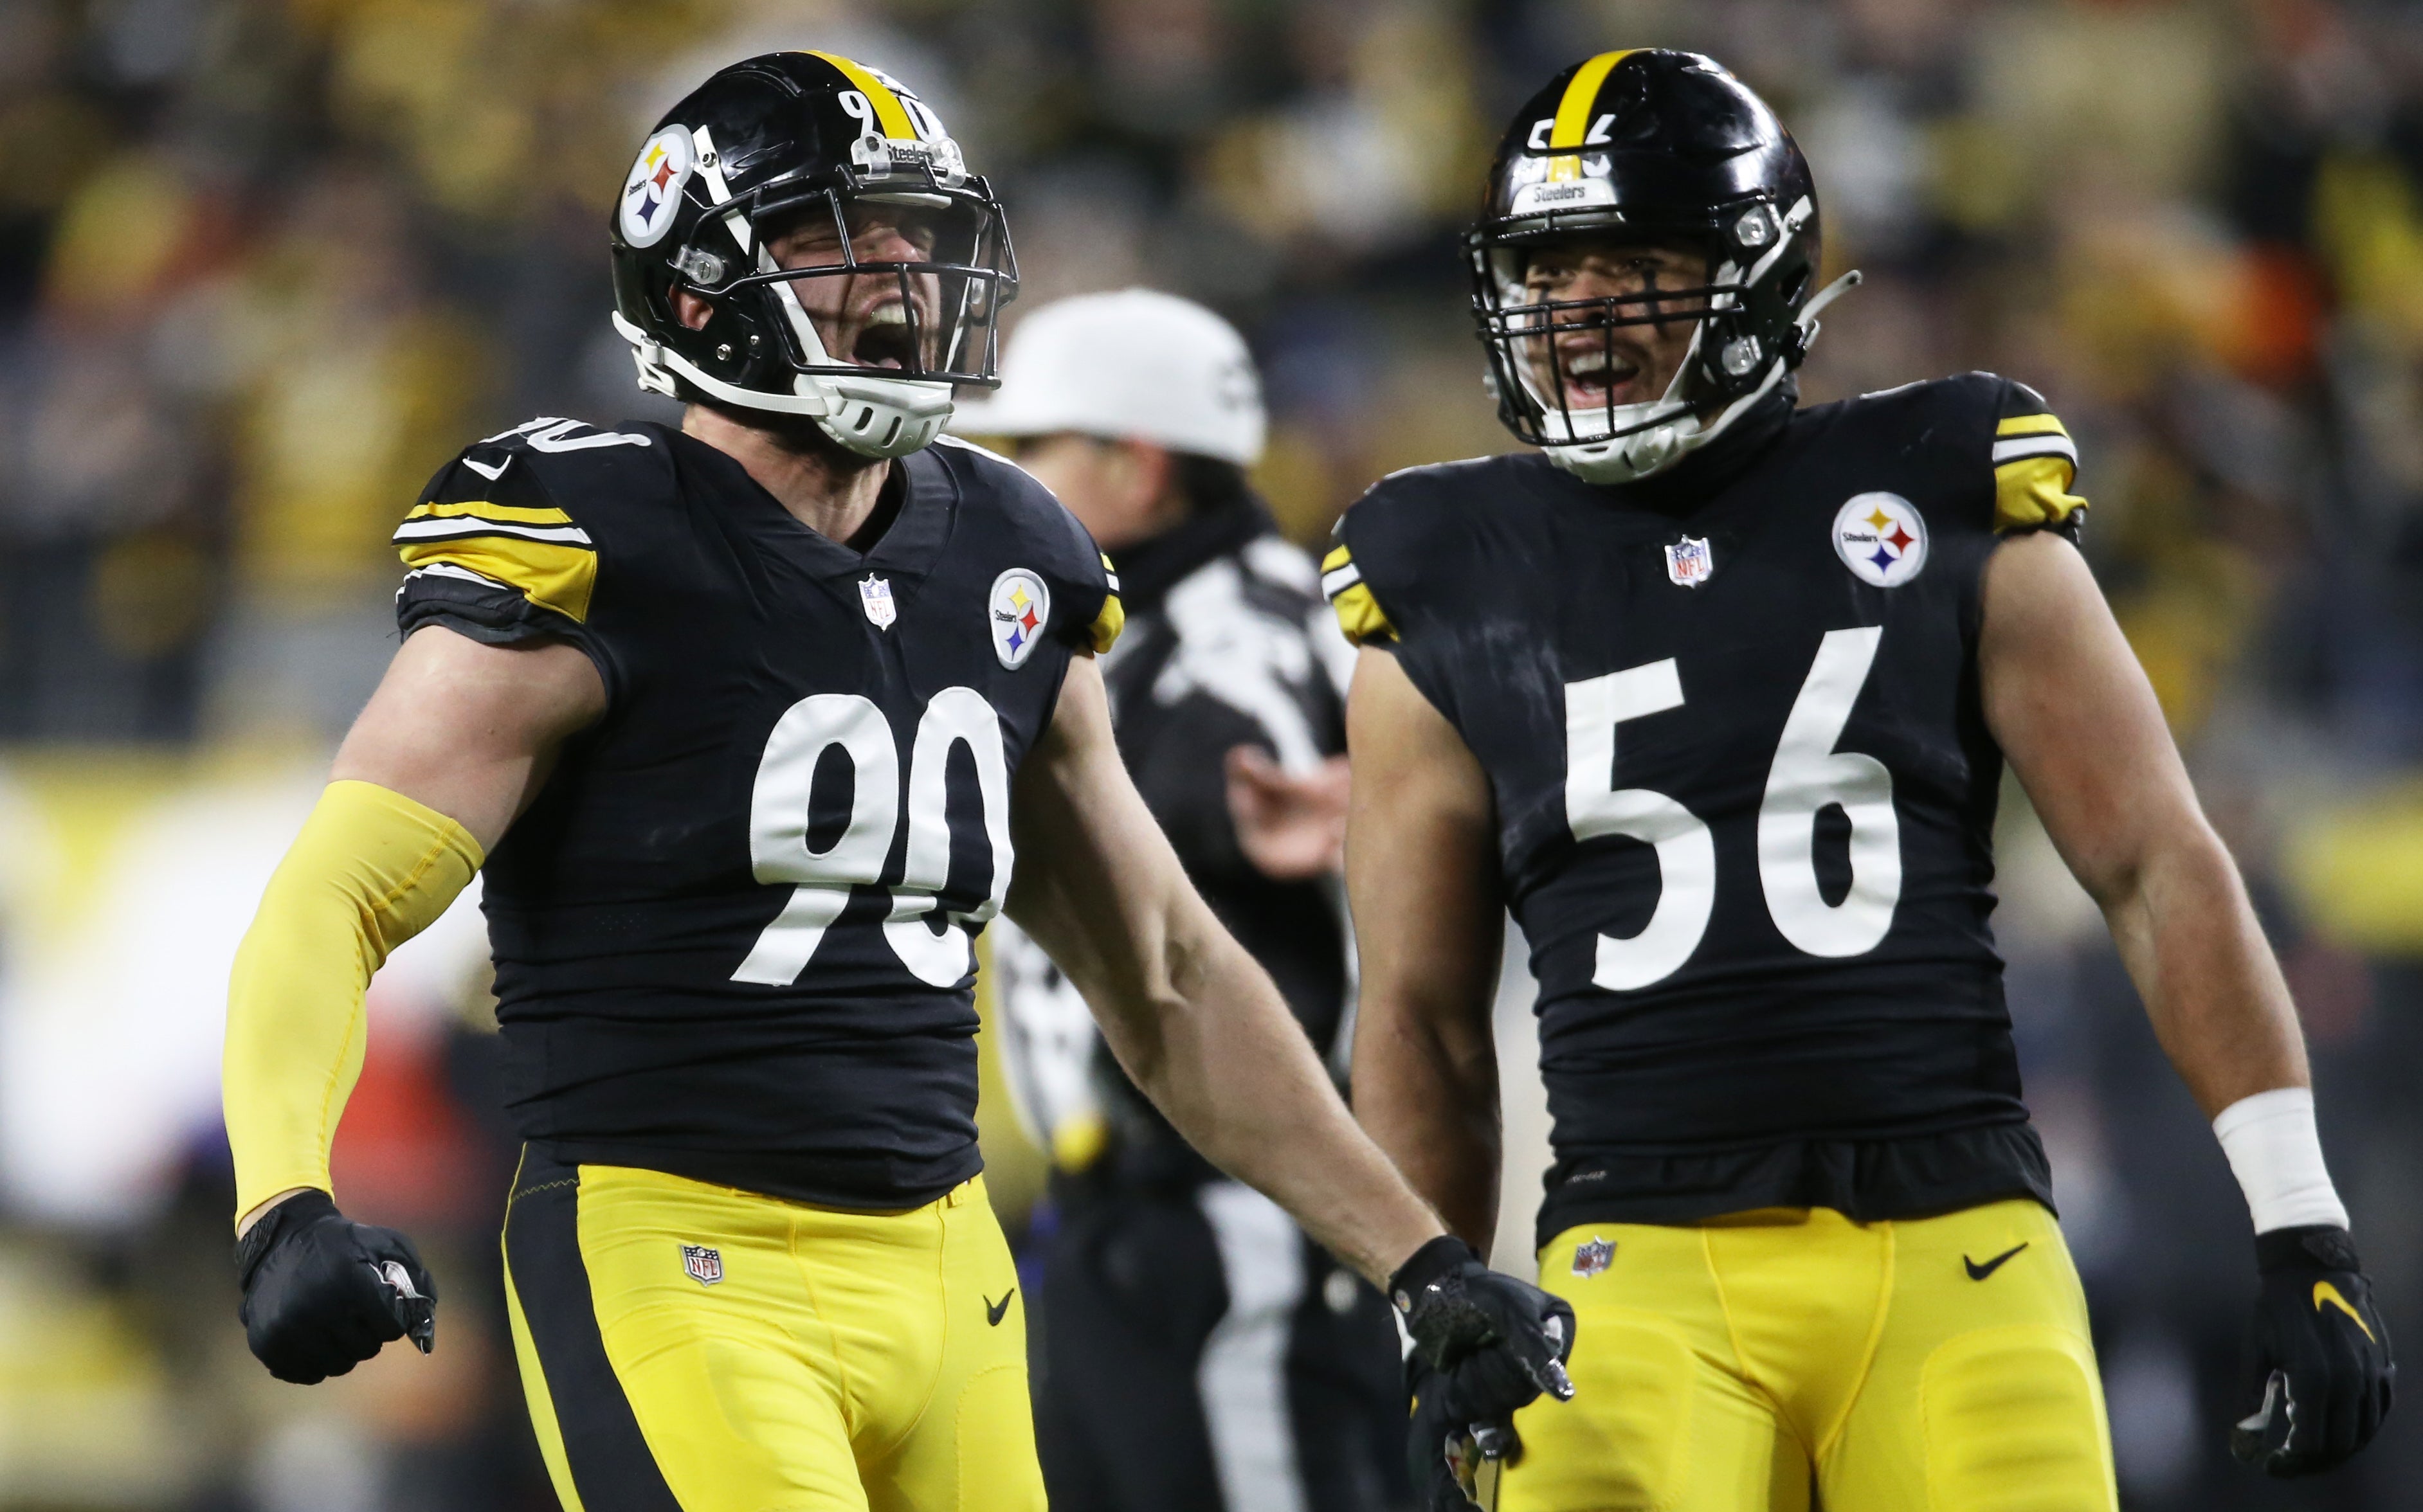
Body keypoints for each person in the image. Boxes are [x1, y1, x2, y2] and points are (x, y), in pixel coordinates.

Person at [218, 51, 1574, 1512]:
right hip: (679, 1256)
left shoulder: (1008, 548)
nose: (897, 281)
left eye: (911, 238)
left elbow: (1170, 974)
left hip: (950, 1272)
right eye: (832, 241)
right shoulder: (599, 540)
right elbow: (336, 898)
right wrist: (281, 1199)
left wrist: (1419, 1261)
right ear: (696, 292)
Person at [1327, 48, 2395, 1512]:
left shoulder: (1944, 484)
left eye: (1633, 265)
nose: (1581, 314)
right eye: (1550, 273)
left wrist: (2300, 1220)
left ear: (1759, 279)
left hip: (1957, 1238)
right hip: (1637, 1267)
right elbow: (1423, 1017)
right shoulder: (1442, 570)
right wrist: (1428, 1299)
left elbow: (2157, 862)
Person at [953, 289, 1402, 1512]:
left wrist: (1228, 810)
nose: (1010, 481)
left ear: (1136, 465)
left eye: (1035, 450)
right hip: (1134, 1217)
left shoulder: (1231, 635)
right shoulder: (1142, 625)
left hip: (1231, 1215)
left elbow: (1241, 777)